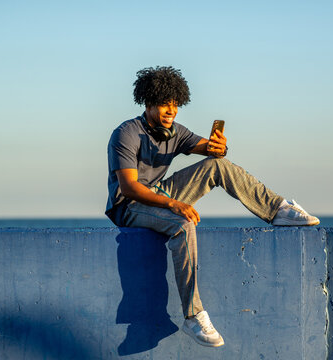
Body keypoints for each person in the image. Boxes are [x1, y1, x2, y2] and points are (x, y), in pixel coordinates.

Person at [105, 66, 319, 347]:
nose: (170, 110)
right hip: (129, 205)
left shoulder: (175, 132)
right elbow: (130, 187)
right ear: (148, 102)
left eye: (175, 104)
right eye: (163, 103)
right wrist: (175, 204)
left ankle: (277, 210)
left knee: (216, 166)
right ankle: (193, 316)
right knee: (183, 224)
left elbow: (210, 150)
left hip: (159, 194)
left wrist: (219, 147)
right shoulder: (127, 133)